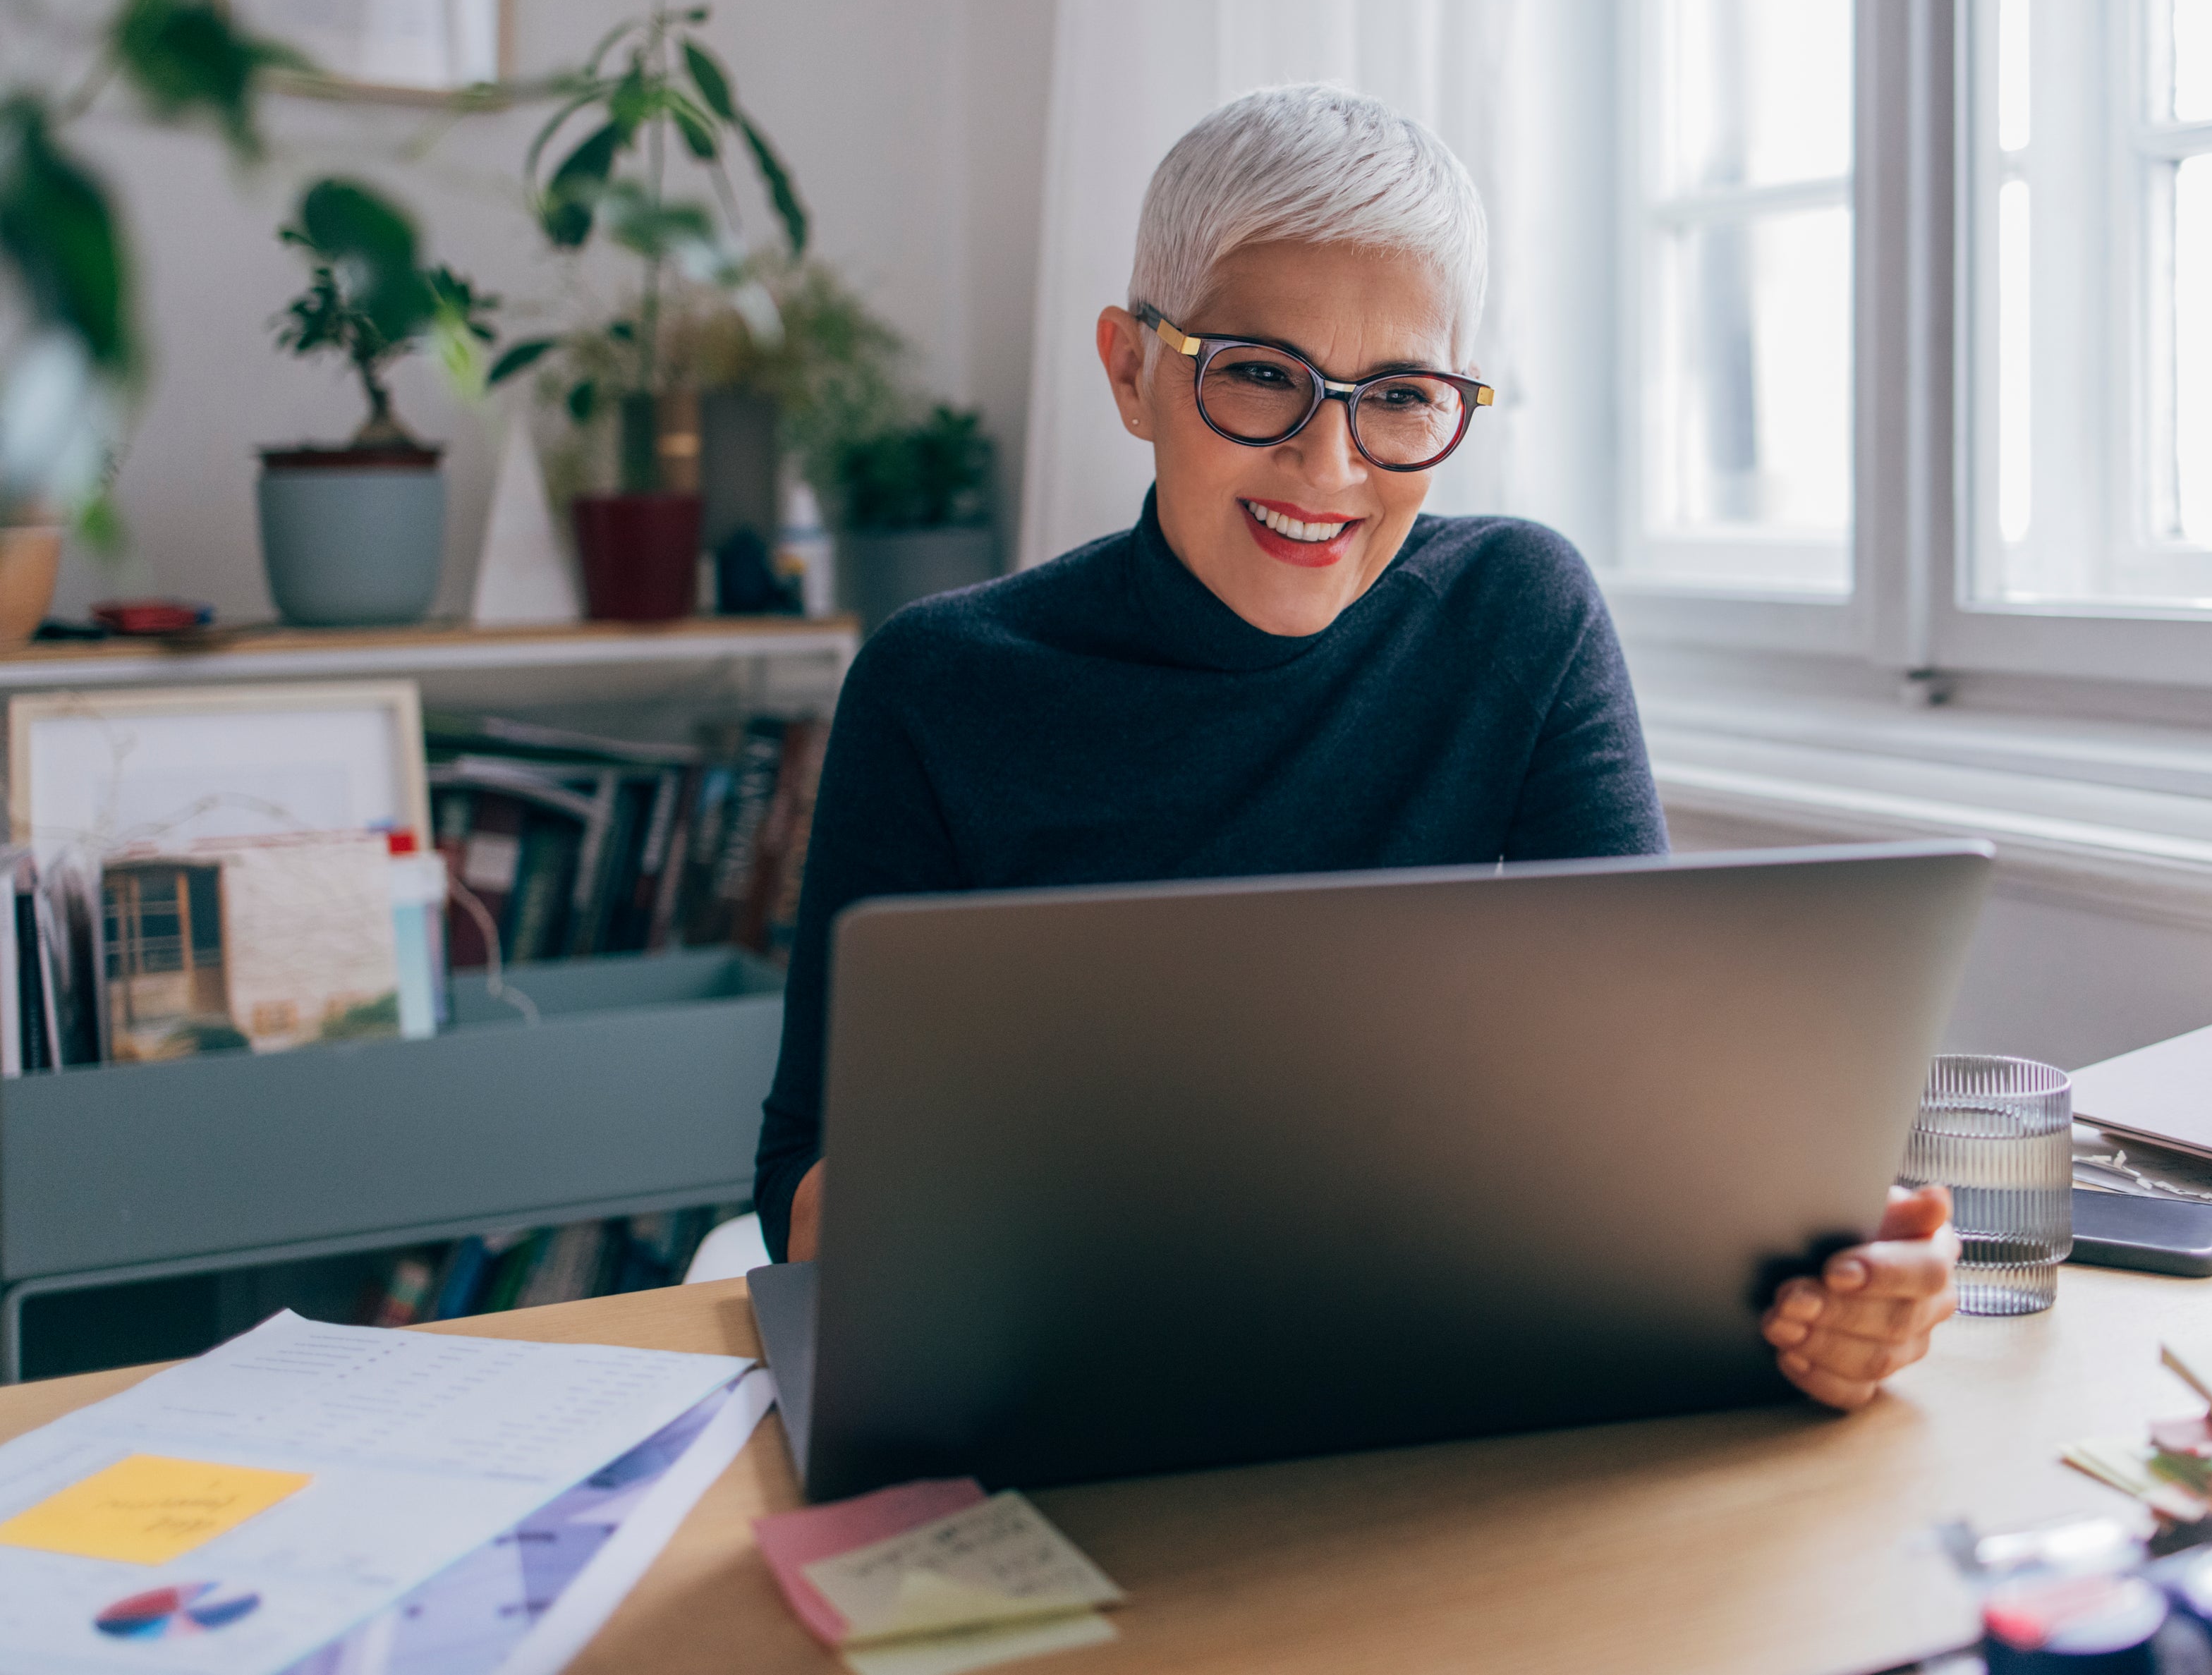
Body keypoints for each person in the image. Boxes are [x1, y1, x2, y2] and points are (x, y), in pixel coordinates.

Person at [752, 83, 1957, 1411]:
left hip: (1425, 1387)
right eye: (1260, 375)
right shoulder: (938, 686)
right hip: (1063, 1397)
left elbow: (1654, 1117)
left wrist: (1832, 1283)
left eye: (1398, 396)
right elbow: (804, 1200)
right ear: (1129, 370)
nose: (1330, 466)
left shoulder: (1519, 613)